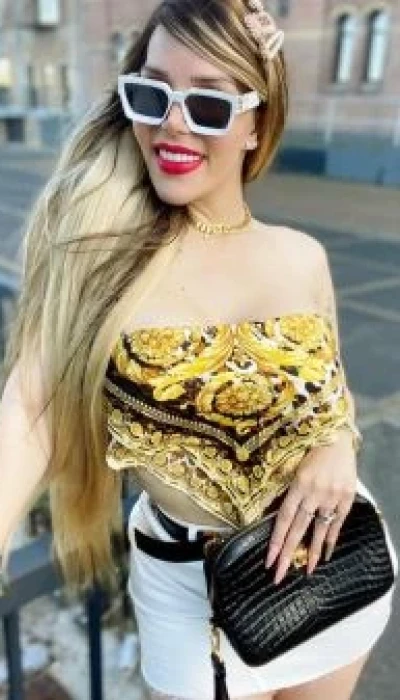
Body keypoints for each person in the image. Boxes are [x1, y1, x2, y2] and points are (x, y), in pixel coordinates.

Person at [0, 1, 397, 699]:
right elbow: (30, 411)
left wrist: (337, 448)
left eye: (209, 104)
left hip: (338, 568)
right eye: (153, 95)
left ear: (256, 124)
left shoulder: (302, 256)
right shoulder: (99, 261)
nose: (173, 125)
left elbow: (329, 397)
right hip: (191, 599)